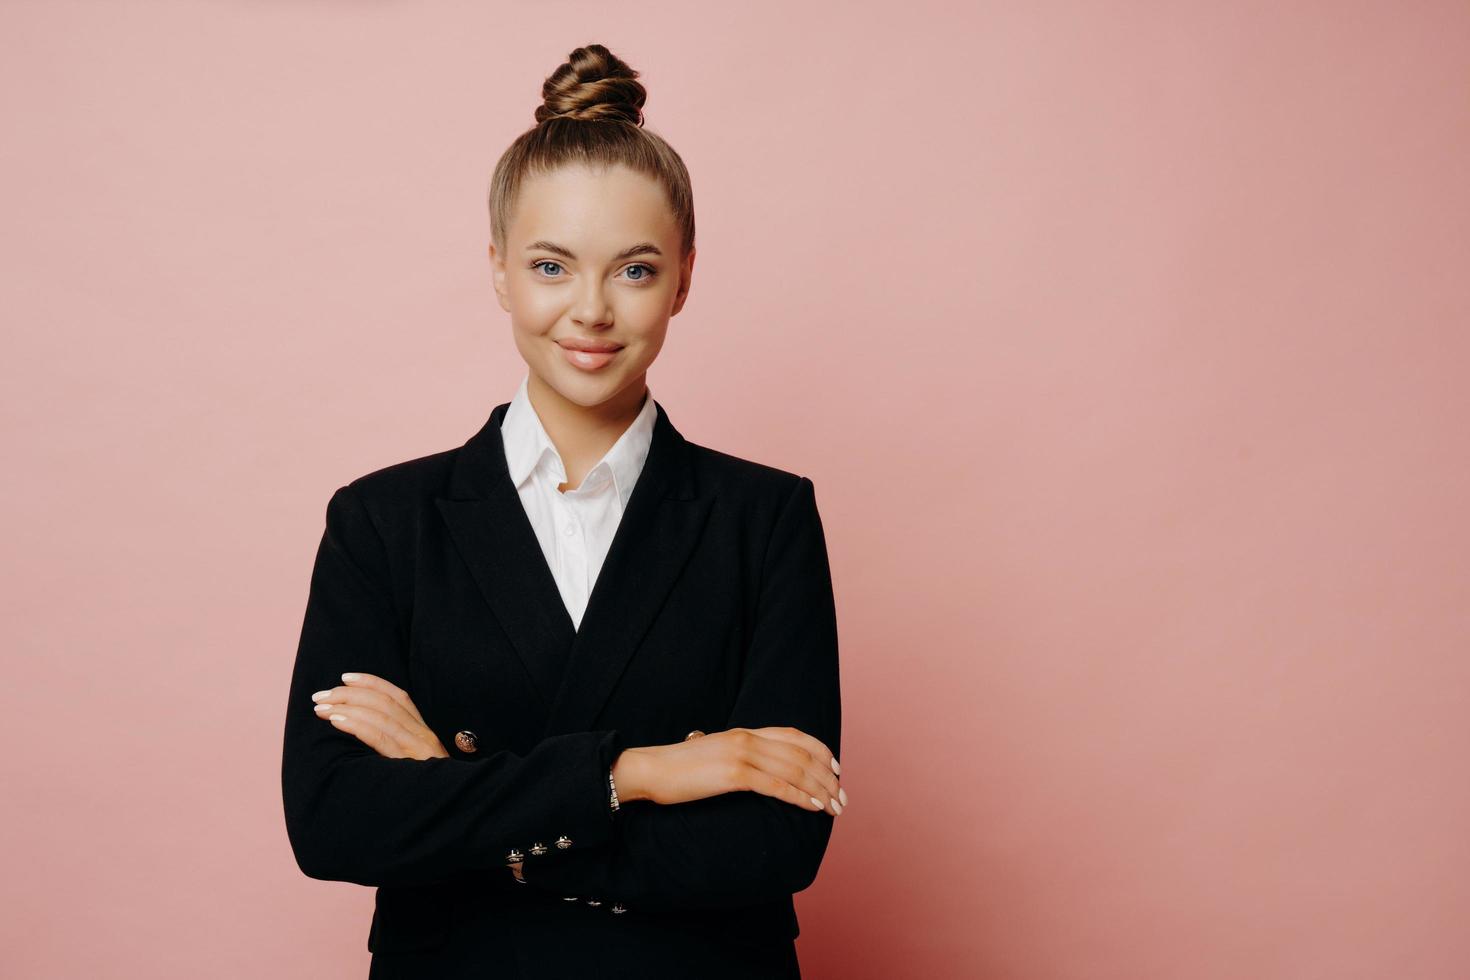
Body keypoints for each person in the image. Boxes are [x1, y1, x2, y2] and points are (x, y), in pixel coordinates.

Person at [280, 42, 846, 979]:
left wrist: (451, 793)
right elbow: (333, 822)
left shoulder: (766, 518)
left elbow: (774, 847)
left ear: (685, 277)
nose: (590, 310)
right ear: (499, 269)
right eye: (551, 266)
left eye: (633, 270)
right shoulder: (383, 521)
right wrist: (641, 774)